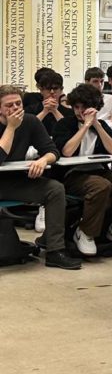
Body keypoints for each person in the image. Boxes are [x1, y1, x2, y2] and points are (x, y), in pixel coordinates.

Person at [0, 85, 81, 269]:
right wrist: (11, 128)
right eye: (9, 105)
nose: (15, 108)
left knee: (55, 189)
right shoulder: (13, 125)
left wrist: (43, 160)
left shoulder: (30, 121)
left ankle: (55, 251)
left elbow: (53, 151)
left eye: (18, 103)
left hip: (15, 182)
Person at [54, 84, 112, 256]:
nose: (80, 112)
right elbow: (67, 151)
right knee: (100, 185)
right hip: (72, 174)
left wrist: (96, 125)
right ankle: (85, 232)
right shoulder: (64, 124)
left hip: (98, 170)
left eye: (84, 107)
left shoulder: (102, 125)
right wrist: (85, 126)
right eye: (76, 107)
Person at [32, 69, 74, 134]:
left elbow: (70, 132)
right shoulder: (31, 110)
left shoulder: (70, 113)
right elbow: (28, 129)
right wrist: (44, 111)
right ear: (41, 90)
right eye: (48, 88)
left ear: (61, 90)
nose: (52, 92)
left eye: (55, 88)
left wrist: (55, 111)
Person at [83, 66, 112, 131]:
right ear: (87, 82)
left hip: (108, 134)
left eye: (102, 81)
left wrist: (97, 123)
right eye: (95, 81)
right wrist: (108, 121)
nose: (100, 85)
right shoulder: (80, 100)